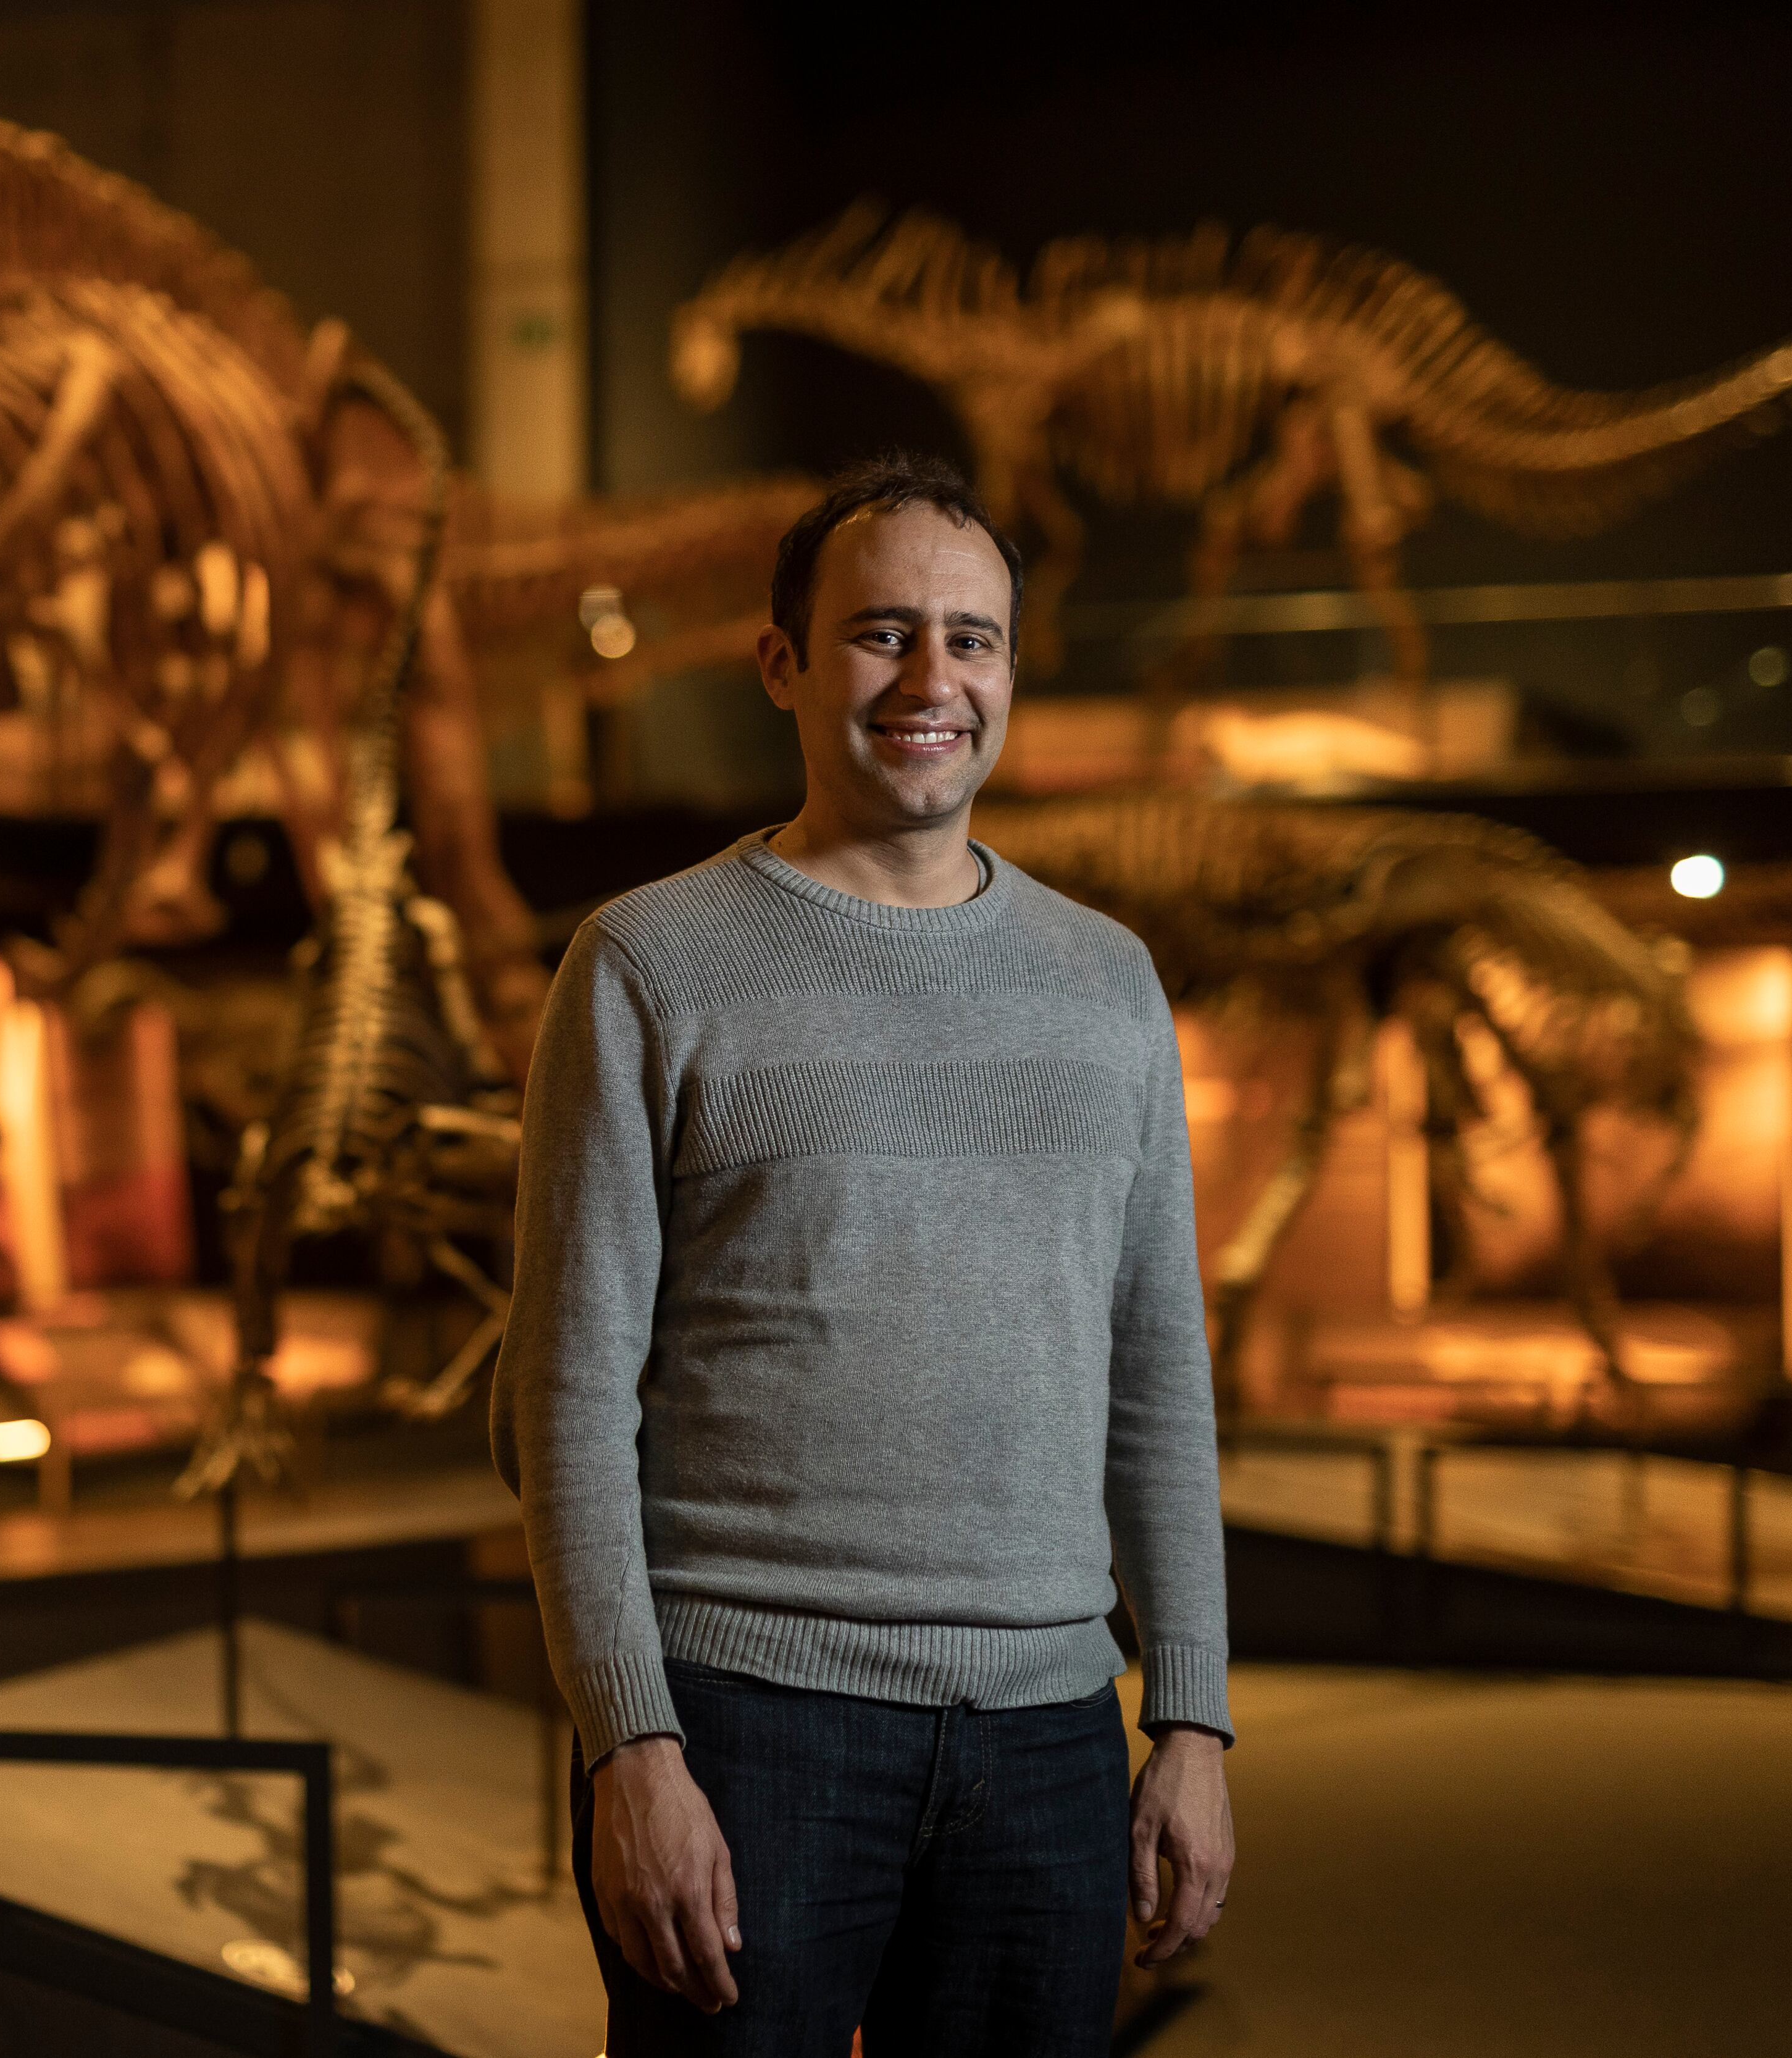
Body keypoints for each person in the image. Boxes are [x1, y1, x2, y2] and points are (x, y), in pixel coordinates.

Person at [490, 452, 1234, 2055]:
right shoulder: (645, 963)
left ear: (1013, 675)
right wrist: (630, 1744)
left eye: (971, 640)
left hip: (1047, 1733)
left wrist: (1189, 1713)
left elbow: (1161, 1380)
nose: (930, 680)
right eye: (881, 632)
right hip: (748, 1722)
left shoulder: (1107, 983)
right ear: (784, 663)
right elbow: (562, 1394)